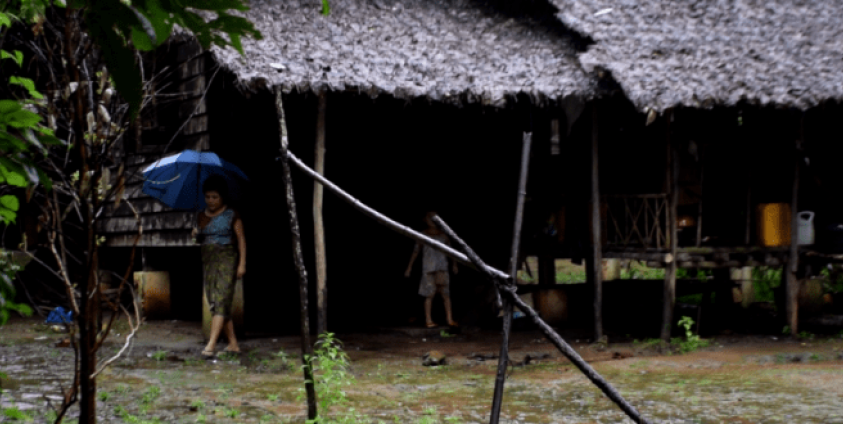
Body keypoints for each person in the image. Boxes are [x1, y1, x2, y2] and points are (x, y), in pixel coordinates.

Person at [192, 175, 246, 357]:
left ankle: (211, 344)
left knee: (221, 300)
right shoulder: (201, 216)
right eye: (208, 197)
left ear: (222, 197)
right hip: (208, 261)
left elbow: (241, 240)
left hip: (227, 259)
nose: (211, 201)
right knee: (216, 302)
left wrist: (242, 264)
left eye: (215, 197)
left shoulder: (231, 214)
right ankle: (233, 344)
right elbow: (199, 240)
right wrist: (195, 234)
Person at [404, 211, 458, 328]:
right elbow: (416, 250)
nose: (432, 221)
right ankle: (428, 320)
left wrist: (454, 264)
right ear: (425, 220)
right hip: (428, 268)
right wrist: (409, 267)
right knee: (429, 294)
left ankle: (449, 319)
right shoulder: (423, 234)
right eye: (429, 218)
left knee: (445, 294)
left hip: (442, 267)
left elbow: (451, 252)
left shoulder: (444, 235)